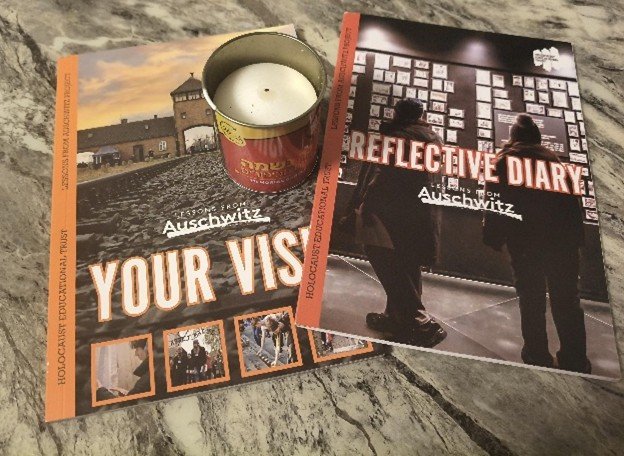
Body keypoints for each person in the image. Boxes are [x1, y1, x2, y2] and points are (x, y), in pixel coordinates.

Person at [483, 113, 590, 373]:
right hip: (562, 244)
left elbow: (495, 203)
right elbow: (572, 207)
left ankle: (536, 353)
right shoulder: (555, 162)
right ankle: (574, 358)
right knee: (567, 300)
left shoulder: (503, 162)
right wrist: (576, 240)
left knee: (531, 299)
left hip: (525, 243)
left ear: (514, 137)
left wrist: (493, 237)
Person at [340, 98, 446, 347]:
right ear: (420, 115)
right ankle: (396, 318)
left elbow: (381, 177)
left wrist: (364, 206)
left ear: (397, 114)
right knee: (407, 263)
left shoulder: (397, 137)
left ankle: (421, 321)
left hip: (389, 212)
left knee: (385, 259)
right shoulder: (433, 138)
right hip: (418, 213)